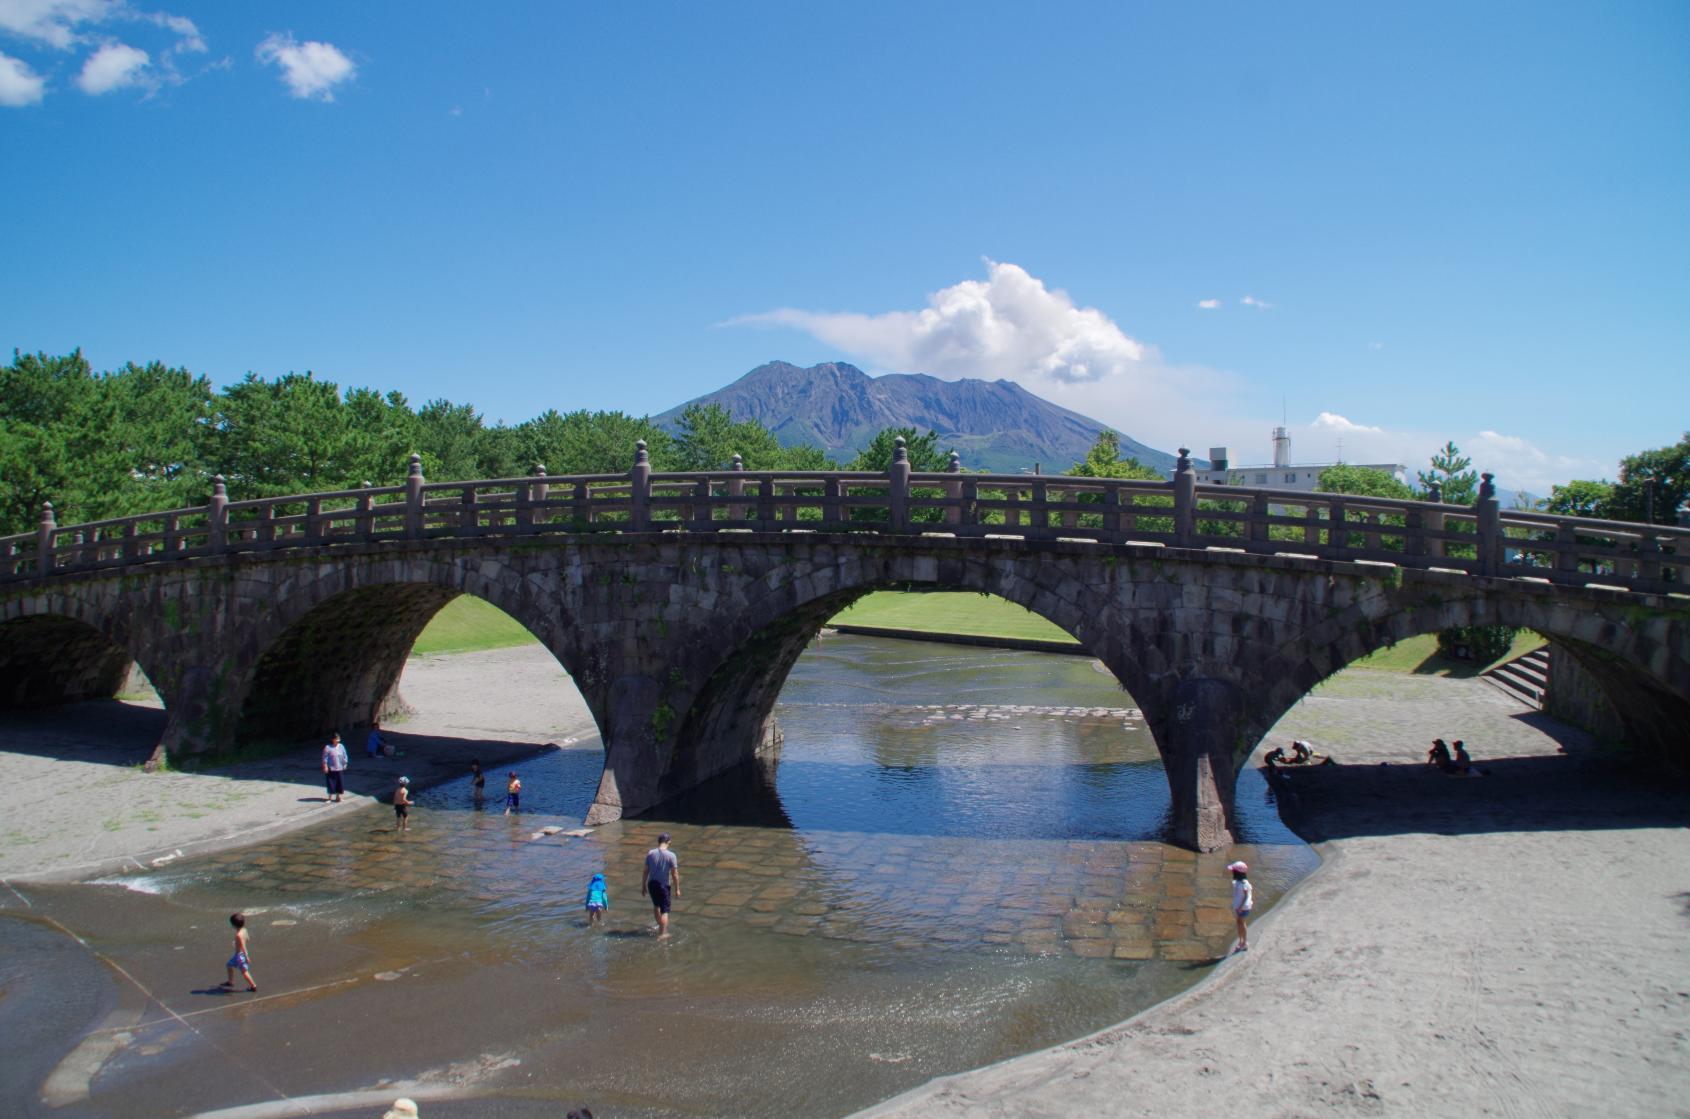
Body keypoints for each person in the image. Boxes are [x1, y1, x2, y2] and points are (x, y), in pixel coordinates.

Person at [642, 832, 681, 938]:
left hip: (651, 884)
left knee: (656, 905)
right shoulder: (671, 855)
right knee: (665, 910)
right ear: (668, 842)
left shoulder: (650, 853)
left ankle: (660, 925)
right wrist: (677, 889)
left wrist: (643, 885)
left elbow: (645, 871)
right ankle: (663, 934)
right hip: (663, 886)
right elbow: (674, 874)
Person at [221, 912, 257, 991]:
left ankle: (253, 986)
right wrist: (237, 943)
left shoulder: (238, 935)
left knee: (244, 971)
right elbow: (247, 939)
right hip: (238, 955)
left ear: (233, 925)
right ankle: (230, 981)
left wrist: (246, 956)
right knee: (229, 965)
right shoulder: (244, 930)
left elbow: (243, 946)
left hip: (240, 956)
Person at [1228, 860, 1253, 954]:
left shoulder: (1243, 883)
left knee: (1242, 923)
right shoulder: (1238, 882)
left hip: (1243, 907)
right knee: (1239, 923)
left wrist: (1240, 907)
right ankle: (1241, 941)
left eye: (1233, 871)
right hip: (1239, 907)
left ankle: (1244, 942)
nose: (1232, 872)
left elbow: (1246, 896)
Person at [322, 732, 349, 802]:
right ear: (333, 739)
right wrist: (325, 766)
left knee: (339, 783)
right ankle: (329, 798)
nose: (338, 741)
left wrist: (345, 763)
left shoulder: (341, 746)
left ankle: (338, 797)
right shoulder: (328, 747)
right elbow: (325, 758)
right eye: (336, 739)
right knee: (331, 783)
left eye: (338, 739)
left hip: (339, 768)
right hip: (331, 768)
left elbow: (344, 755)